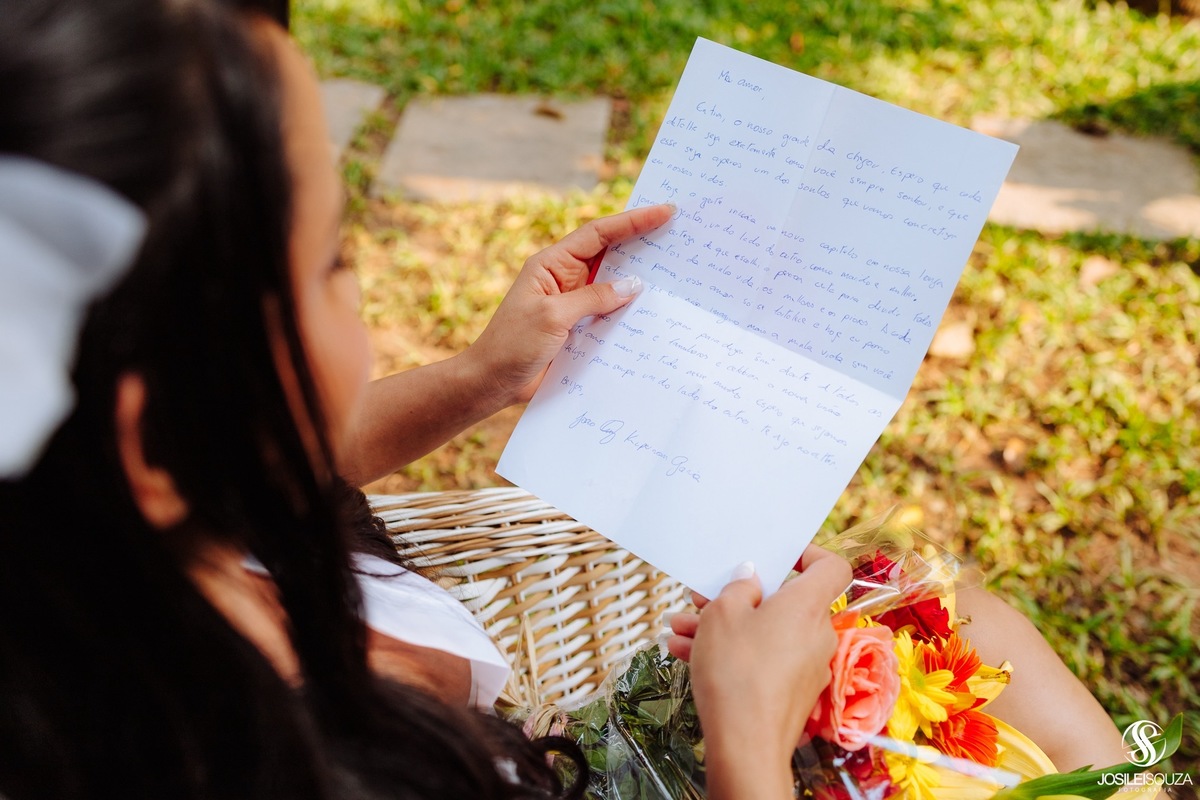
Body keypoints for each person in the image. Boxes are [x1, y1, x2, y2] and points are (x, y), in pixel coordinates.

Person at [0, 1, 847, 798]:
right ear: (151, 443)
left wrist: (483, 374)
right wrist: (748, 742)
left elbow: (250, 452)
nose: (357, 288)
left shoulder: (95, 535)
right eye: (333, 260)